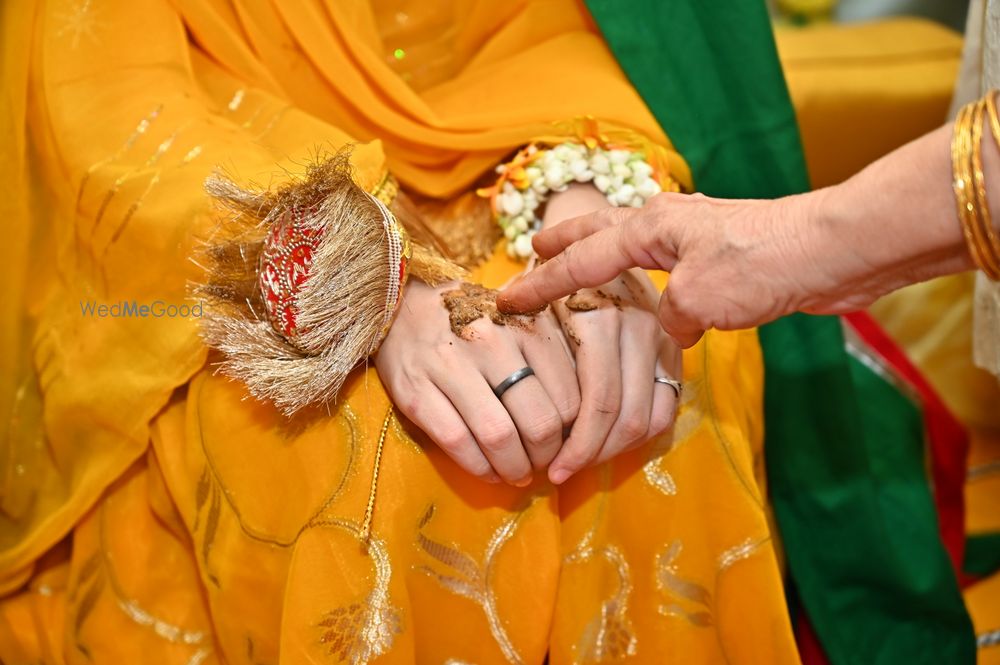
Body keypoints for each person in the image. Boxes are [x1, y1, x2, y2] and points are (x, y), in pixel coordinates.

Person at [0, 0, 801, 662]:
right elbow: (107, 94)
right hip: (225, 186)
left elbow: (538, 30)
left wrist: (587, 192)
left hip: (495, 148)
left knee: (667, 346)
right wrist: (364, 278)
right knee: (349, 429)